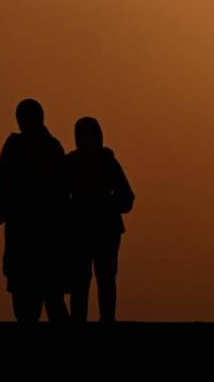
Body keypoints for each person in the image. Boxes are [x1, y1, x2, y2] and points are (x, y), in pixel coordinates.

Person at [0, 98, 70, 323]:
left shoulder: (41, 146)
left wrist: (0, 210)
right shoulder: (44, 146)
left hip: (39, 228)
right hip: (29, 227)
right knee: (32, 290)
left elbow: (2, 182)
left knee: (46, 293)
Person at [65, 117, 135, 323]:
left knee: (90, 278)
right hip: (98, 228)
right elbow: (127, 198)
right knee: (98, 278)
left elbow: (126, 197)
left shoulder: (78, 163)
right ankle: (102, 320)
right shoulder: (105, 162)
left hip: (90, 228)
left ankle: (93, 320)